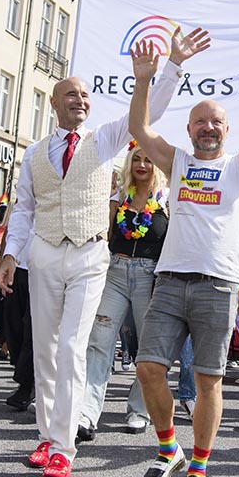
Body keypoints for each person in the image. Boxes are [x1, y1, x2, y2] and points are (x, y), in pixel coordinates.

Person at [0, 27, 210, 477]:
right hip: (45, 254)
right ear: (54, 103)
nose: (80, 100)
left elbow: (146, 115)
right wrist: (10, 254)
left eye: (85, 95)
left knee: (74, 347)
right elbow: (24, 209)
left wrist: (166, 69)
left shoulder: (105, 140)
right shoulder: (33, 153)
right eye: (71, 95)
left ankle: (65, 447)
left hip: (91, 255)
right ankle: (48, 437)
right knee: (45, 350)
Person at [129, 41, 239, 477]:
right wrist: (146, 77)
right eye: (200, 121)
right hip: (170, 280)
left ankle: (198, 469)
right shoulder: (177, 161)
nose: (207, 128)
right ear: (189, 128)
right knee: (148, 368)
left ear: (226, 129)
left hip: (218, 286)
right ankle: (168, 451)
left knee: (207, 381)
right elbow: (140, 127)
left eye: (215, 122)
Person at [79, 142, 170, 438]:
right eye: (136, 159)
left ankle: (139, 410)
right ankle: (87, 413)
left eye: (148, 160)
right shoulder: (118, 197)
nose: (142, 165)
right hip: (114, 273)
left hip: (148, 276)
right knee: (99, 341)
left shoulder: (167, 201)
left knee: (146, 349)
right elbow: (103, 236)